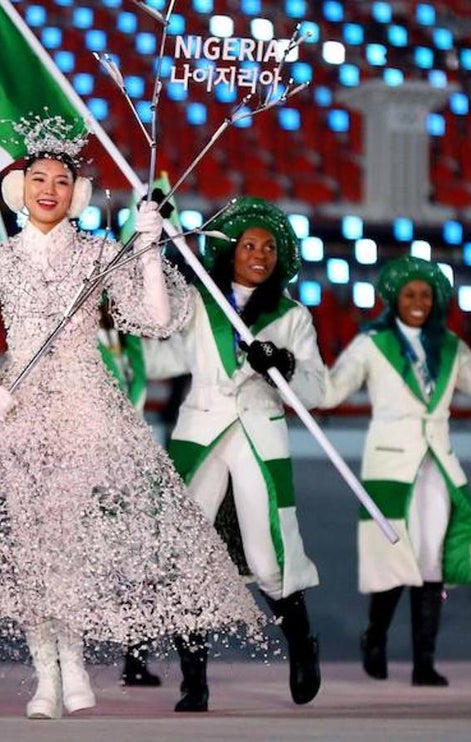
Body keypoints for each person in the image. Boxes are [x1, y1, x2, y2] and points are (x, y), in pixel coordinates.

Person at [0, 115, 265, 720]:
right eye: (38, 178)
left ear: (75, 191)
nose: (48, 188)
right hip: (20, 411)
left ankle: (74, 666)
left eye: (61, 179)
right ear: (21, 187)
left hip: (87, 406)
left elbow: (156, 320)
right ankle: (46, 677)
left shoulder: (98, 253)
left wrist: (148, 245)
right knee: (34, 546)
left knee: (71, 545)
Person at [319, 255, 471, 687]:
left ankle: (424, 661)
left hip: (437, 467)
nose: (419, 301)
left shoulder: (452, 346)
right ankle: (376, 638)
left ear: (437, 299)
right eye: (410, 294)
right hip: (389, 465)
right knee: (392, 557)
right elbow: (330, 391)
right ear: (394, 299)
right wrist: (291, 370)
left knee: (430, 560)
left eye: (426, 294)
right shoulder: (371, 343)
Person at [153, 197, 326, 709]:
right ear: (229, 252)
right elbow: (159, 354)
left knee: (269, 554)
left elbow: (317, 391)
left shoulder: (293, 315)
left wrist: (284, 363)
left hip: (260, 432)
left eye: (270, 247)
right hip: (199, 430)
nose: (259, 254)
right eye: (249, 245)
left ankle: (301, 646)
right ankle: (194, 681)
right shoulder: (196, 300)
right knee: (187, 555)